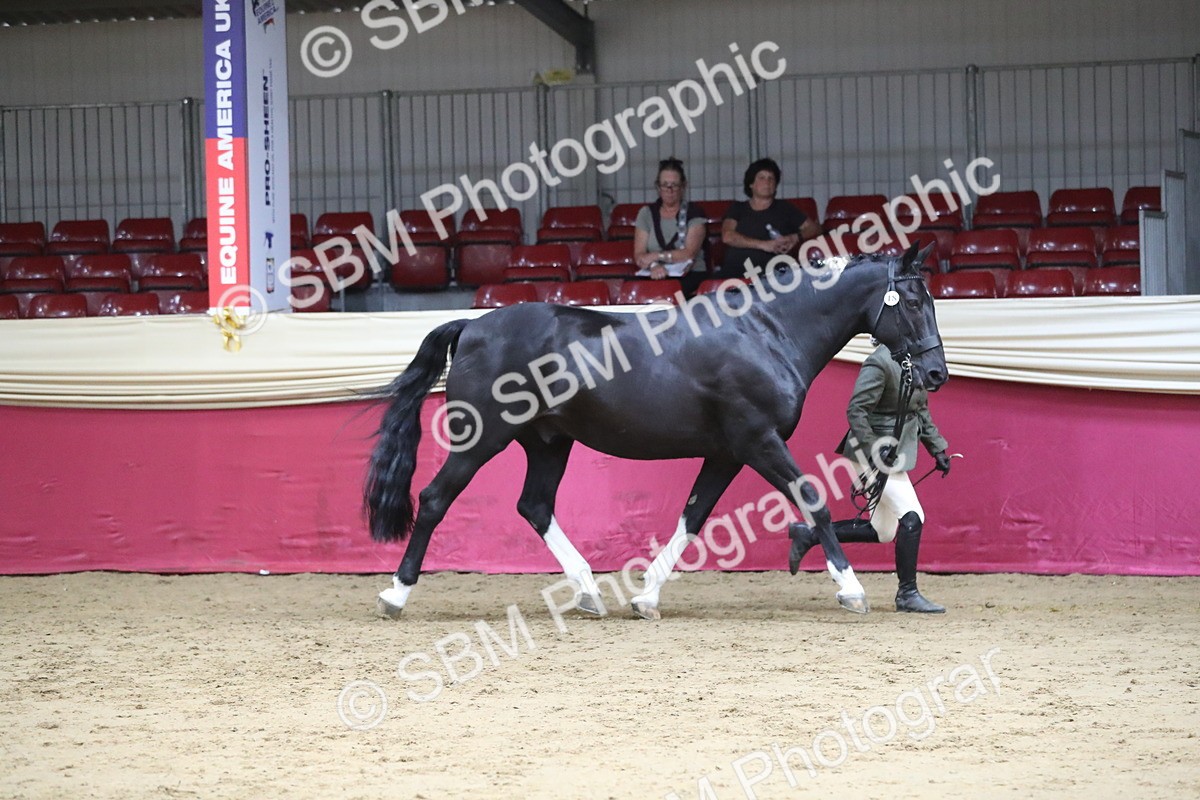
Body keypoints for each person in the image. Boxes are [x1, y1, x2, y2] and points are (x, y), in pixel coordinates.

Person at [788, 342, 953, 613]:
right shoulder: (879, 362)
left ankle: (810, 534)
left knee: (884, 531)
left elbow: (919, 409)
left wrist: (938, 448)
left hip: (895, 453)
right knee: (912, 516)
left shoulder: (913, 359)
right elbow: (856, 410)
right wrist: (875, 449)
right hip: (870, 453)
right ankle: (907, 594)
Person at [719, 157, 822, 278]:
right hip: (736, 272)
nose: (767, 182)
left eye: (771, 178)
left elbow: (815, 228)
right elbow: (728, 236)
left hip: (775, 273)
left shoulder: (785, 208)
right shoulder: (738, 208)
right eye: (762, 178)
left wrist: (795, 237)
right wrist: (764, 245)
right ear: (751, 183)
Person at [633, 157, 708, 297]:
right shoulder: (646, 213)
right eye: (665, 185)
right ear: (658, 187)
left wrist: (656, 256)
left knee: (669, 294)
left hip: (690, 274)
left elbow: (689, 253)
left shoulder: (695, 213)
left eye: (675, 185)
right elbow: (639, 255)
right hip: (654, 273)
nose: (669, 190)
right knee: (633, 290)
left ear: (683, 186)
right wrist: (654, 266)